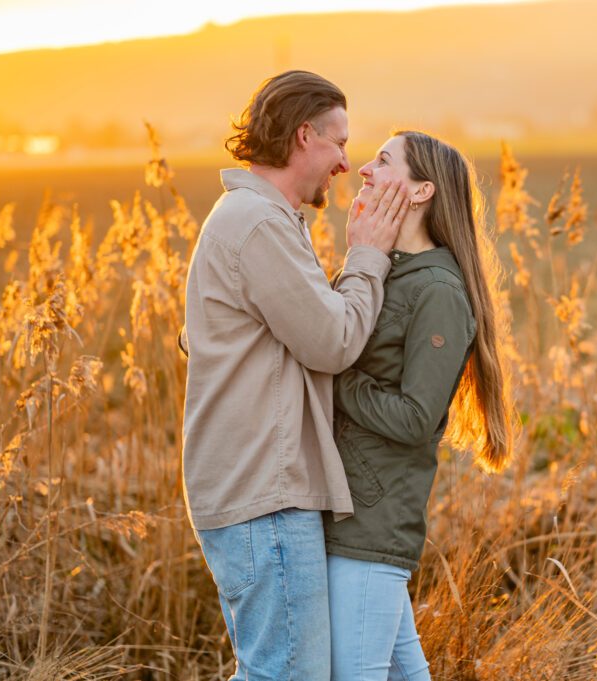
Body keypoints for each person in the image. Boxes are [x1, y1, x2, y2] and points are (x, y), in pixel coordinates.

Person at [181, 70, 409, 680]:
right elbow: (333, 342)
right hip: (265, 490)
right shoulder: (257, 224)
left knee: (270, 671)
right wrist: (368, 254)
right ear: (304, 135)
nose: (345, 164)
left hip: (254, 487)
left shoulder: (254, 219)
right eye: (338, 143)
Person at [324, 131, 516, 681]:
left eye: (383, 161)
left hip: (371, 525)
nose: (363, 169)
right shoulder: (391, 270)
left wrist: (331, 378)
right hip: (355, 517)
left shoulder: (437, 289)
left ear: (421, 190)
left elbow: (414, 418)